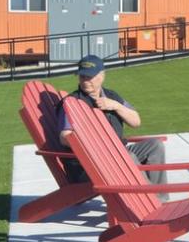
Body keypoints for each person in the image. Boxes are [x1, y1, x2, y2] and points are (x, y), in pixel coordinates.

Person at [58, 54, 168, 200]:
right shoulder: (71, 103)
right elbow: (64, 137)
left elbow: (136, 122)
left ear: (102, 76)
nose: (85, 80)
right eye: (82, 76)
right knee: (128, 156)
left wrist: (115, 106)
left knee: (155, 145)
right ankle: (151, 200)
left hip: (117, 152)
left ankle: (160, 198)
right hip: (91, 163)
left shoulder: (112, 96)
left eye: (89, 76)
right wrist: (96, 142)